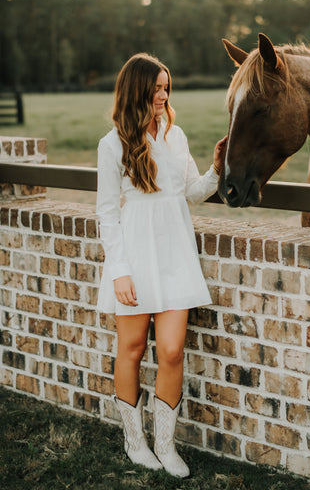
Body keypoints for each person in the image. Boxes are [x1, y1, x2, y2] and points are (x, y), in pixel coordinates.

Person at [96, 53, 227, 478]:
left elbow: (189, 192)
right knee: (132, 350)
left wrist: (216, 171)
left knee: (171, 350)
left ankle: (166, 447)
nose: (163, 94)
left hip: (174, 255)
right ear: (137, 90)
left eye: (166, 87)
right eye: (156, 88)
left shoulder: (176, 134)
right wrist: (119, 271)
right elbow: (106, 214)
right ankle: (136, 444)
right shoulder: (111, 144)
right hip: (133, 257)